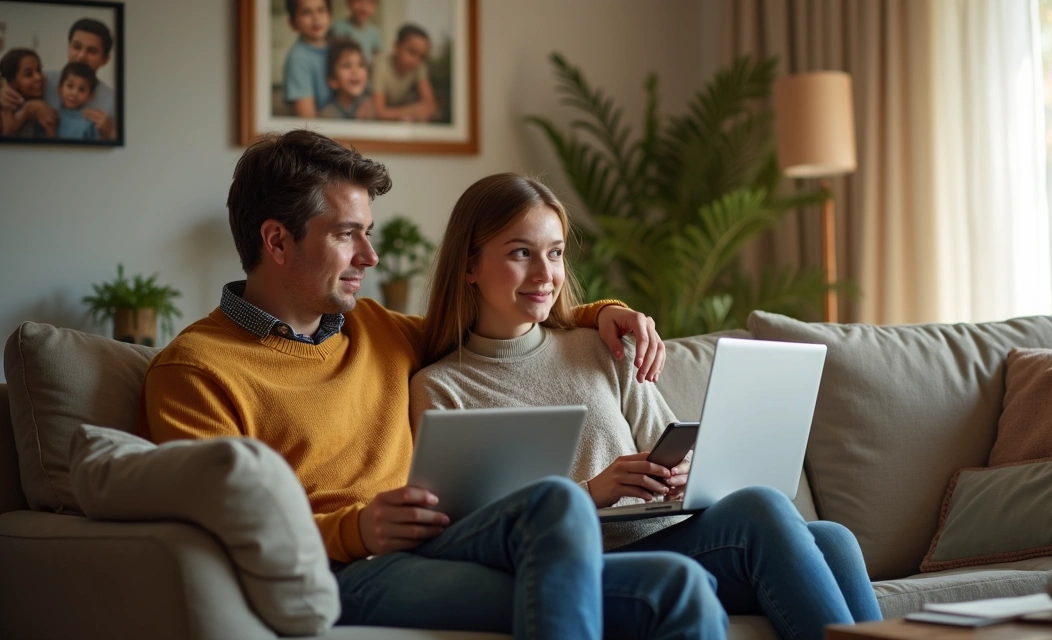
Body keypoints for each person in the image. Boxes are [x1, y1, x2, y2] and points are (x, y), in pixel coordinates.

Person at [136, 129, 726, 638]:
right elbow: (225, 527)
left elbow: (501, 318)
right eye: (346, 235)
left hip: (435, 544)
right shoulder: (196, 371)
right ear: (277, 241)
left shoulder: (378, 331)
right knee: (577, 517)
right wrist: (353, 529)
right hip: (340, 571)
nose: (370, 255)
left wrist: (604, 313)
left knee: (669, 578)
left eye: (368, 232)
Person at [410, 173, 885, 640]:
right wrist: (594, 491)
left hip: (674, 536)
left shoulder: (600, 347)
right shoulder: (442, 387)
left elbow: (673, 443)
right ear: (469, 266)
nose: (545, 274)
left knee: (835, 540)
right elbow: (474, 530)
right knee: (761, 508)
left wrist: (686, 474)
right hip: (591, 564)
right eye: (520, 253)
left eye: (555, 253)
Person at [0, 18, 118, 140]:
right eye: (76, 47)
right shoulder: (44, 79)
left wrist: (110, 134)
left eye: (91, 51)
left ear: (105, 60)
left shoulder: (112, 102)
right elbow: (14, 79)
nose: (81, 56)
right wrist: (3, 86)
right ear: (68, 47)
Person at [372, 23, 437, 122]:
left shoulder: (419, 66)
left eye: (422, 57)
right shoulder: (380, 65)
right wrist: (414, 110)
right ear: (396, 46)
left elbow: (431, 106)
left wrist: (394, 113)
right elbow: (379, 112)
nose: (416, 61)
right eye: (412, 52)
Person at [283, 0, 333, 117]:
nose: (316, 18)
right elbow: (307, 118)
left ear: (330, 16)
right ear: (292, 23)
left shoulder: (337, 46)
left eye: (321, 10)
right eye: (306, 12)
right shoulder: (298, 58)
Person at [318, 39, 374, 120]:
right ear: (333, 81)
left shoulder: (371, 105)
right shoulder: (327, 115)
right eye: (346, 66)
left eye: (361, 65)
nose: (355, 71)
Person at [0, 48, 47, 137]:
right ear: (12, 82)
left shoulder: (40, 96)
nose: (38, 77)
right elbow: (7, 134)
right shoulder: (8, 104)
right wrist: (27, 111)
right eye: (28, 74)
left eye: (39, 70)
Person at [55, 62, 100, 140]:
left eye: (81, 90)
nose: (74, 93)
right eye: (70, 86)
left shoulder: (88, 124)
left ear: (90, 96)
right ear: (60, 88)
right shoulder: (50, 115)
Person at [329, 0, 382, 65]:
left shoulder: (375, 33)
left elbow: (377, 58)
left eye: (369, 2)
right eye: (359, 1)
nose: (364, 7)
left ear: (375, 7)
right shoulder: (338, 28)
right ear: (349, 3)